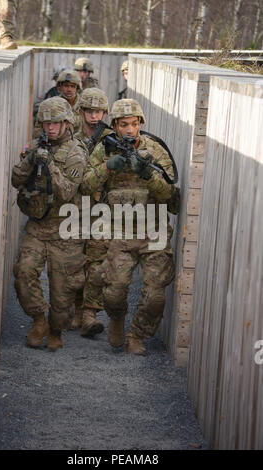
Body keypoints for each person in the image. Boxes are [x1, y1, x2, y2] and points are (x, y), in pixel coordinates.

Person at [80, 98, 179, 356]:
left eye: (134, 124)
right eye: (124, 124)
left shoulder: (155, 150)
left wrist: (148, 174)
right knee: (114, 292)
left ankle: (136, 335)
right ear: (114, 125)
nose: (129, 130)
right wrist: (106, 168)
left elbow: (170, 196)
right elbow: (86, 187)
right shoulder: (104, 149)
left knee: (155, 295)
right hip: (120, 233)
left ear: (140, 125)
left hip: (153, 232)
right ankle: (116, 319)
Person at [12, 97, 88, 351]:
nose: (50, 128)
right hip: (37, 224)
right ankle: (39, 320)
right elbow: (15, 179)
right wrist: (31, 160)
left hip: (65, 229)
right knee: (23, 272)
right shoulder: (36, 147)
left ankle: (56, 330)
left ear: (66, 123)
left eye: (55, 123)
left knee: (63, 289)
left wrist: (50, 164)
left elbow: (66, 192)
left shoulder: (76, 152)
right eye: (46, 123)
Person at [73, 87, 111, 337]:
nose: (94, 117)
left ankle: (89, 314)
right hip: (72, 210)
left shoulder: (112, 138)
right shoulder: (69, 134)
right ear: (81, 111)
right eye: (89, 111)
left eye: (98, 111)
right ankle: (74, 309)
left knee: (96, 266)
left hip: (101, 210)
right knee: (73, 263)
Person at [56, 69, 82, 133]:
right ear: (60, 87)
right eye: (66, 86)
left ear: (77, 88)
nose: (69, 89)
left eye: (72, 86)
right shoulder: (54, 104)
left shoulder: (84, 104)